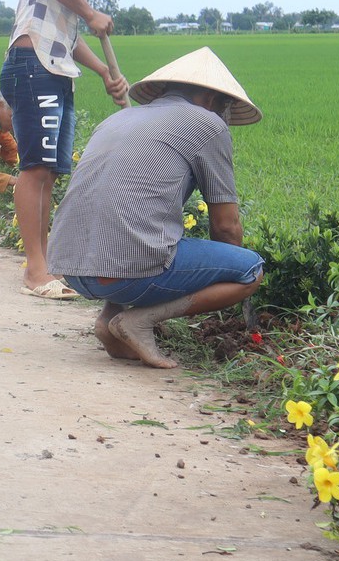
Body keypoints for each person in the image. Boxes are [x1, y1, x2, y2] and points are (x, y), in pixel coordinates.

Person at [49, 47, 265, 370]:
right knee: (250, 270)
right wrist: (224, 278)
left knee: (134, 226)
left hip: (73, 269)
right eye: (226, 106)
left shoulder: (119, 118)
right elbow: (226, 226)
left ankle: (110, 319)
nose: (226, 115)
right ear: (210, 100)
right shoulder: (208, 124)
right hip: (124, 275)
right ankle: (139, 320)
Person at [0, 0, 134, 299]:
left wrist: (102, 72)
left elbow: (69, 33)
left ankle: (45, 265)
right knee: (35, 168)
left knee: (50, 171)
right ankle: (35, 271)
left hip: (56, 65)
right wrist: (91, 12)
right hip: (33, 62)